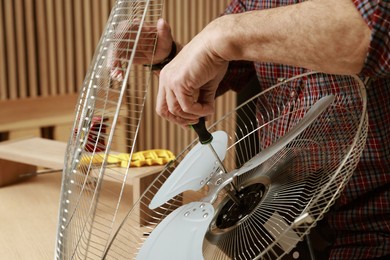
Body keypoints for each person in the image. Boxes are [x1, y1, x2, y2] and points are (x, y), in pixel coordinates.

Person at [111, 0, 389, 259]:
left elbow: (376, 27)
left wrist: (223, 33)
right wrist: (169, 56)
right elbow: (223, 63)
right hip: (278, 212)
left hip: (369, 222)